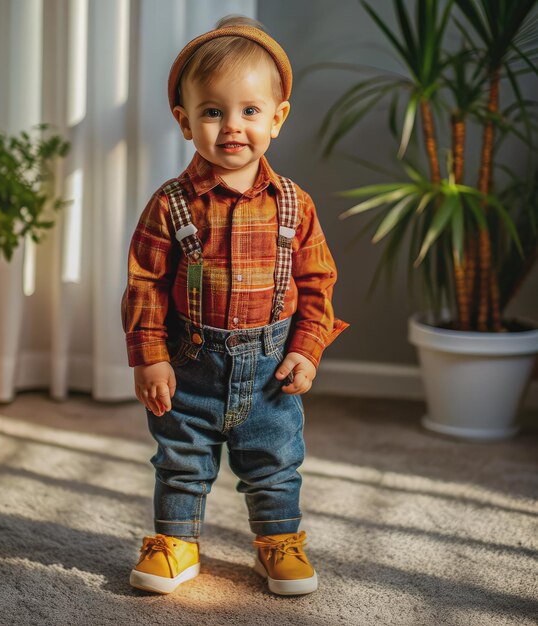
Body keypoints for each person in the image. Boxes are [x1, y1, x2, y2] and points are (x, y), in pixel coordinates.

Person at [121, 15, 349, 596]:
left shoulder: (295, 204)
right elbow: (144, 283)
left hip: (272, 368)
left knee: (274, 461)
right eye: (213, 111)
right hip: (191, 362)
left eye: (250, 110)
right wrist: (150, 356)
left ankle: (278, 543)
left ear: (278, 116)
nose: (231, 127)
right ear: (184, 120)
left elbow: (318, 283)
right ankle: (176, 541)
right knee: (181, 457)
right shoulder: (170, 204)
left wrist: (307, 349)